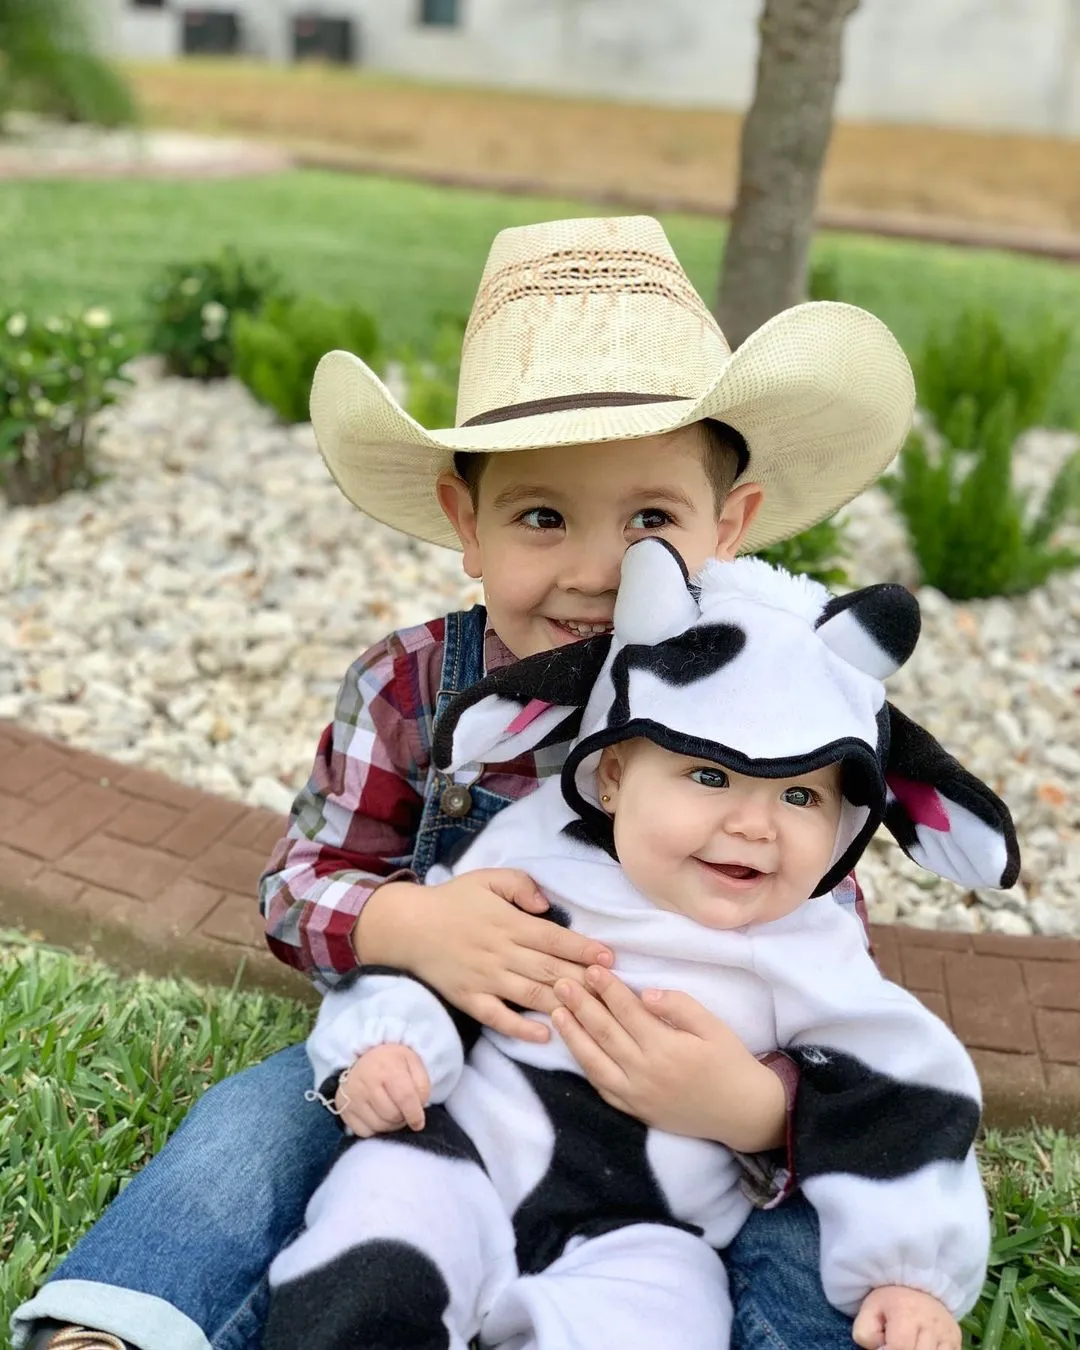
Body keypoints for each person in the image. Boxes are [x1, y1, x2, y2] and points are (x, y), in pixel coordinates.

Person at [15, 214, 921, 1350]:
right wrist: (413, 923)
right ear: (468, 525)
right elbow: (302, 887)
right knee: (254, 1128)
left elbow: (837, 976)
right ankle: (130, 1321)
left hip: (677, 1124)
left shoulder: (785, 707)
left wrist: (749, 1105)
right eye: (542, 517)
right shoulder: (409, 686)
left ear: (730, 528)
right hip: (431, 1064)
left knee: (816, 1224)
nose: (598, 572)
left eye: (653, 520)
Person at [263, 541, 1019, 1350]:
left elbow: (902, 1101)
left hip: (647, 1231)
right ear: (615, 774)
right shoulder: (540, 853)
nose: (755, 825)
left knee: (668, 1318)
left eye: (800, 794)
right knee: (374, 1231)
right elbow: (437, 963)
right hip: (460, 1155)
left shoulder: (813, 944)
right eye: (710, 777)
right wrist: (386, 1046)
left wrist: (909, 1273)